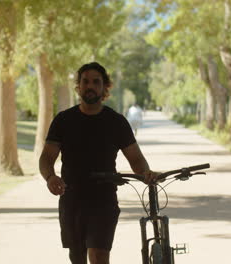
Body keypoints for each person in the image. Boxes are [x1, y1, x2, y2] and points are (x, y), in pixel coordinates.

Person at [39, 62, 157, 264]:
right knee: (77, 258)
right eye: (85, 81)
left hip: (104, 200)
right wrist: (50, 177)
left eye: (96, 82)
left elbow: (136, 159)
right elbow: (47, 157)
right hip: (72, 199)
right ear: (79, 86)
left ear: (104, 88)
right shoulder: (64, 120)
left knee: (98, 255)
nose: (90, 86)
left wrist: (145, 173)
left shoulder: (116, 122)